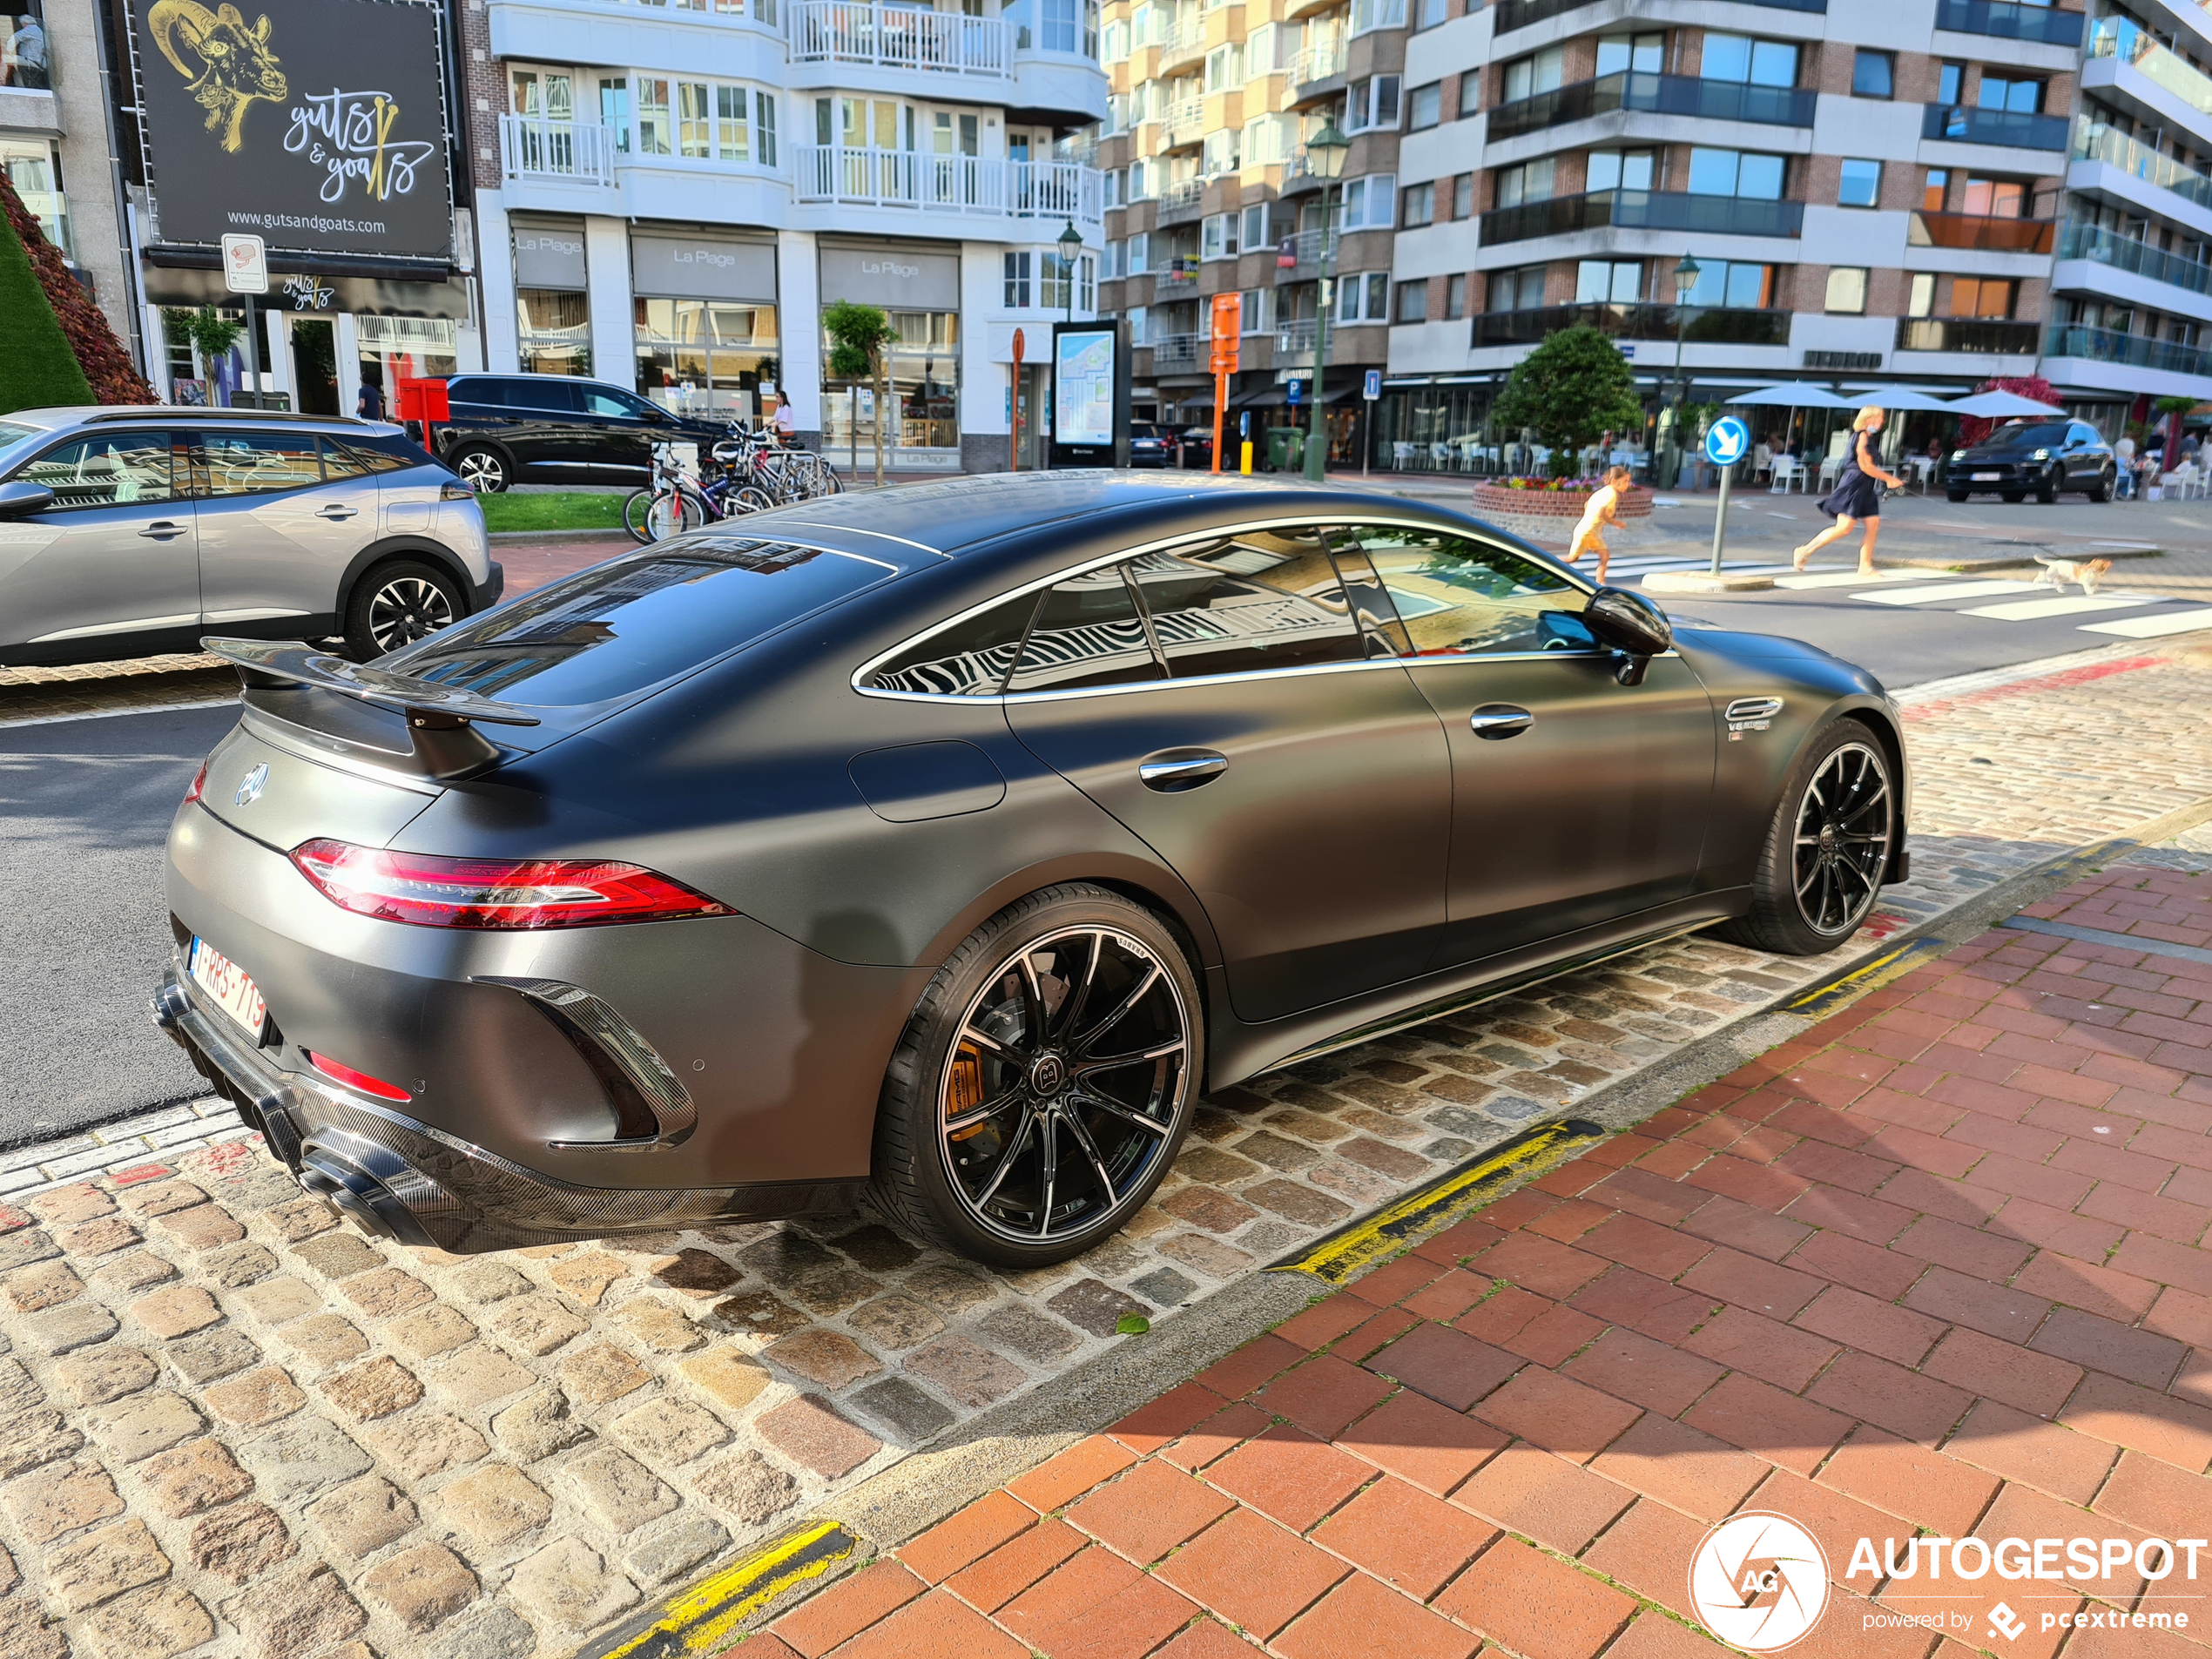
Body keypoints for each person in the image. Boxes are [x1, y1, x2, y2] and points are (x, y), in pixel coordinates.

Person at [1791, 407, 1905, 577]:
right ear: (1868, 419)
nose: (1881, 421)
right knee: (1844, 528)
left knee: (1873, 523)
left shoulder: (1870, 438)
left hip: (1866, 486)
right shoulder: (1861, 437)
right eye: (1878, 418)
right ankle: (1804, 551)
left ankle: (1865, 566)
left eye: (1882, 418)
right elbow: (1865, 466)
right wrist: (1888, 478)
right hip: (1854, 485)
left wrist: (1887, 478)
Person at [1567, 463, 1632, 584]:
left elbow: (1587, 504)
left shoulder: (1603, 491)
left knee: (1605, 556)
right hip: (1588, 531)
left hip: (1592, 530)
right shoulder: (1611, 494)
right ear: (1614, 480)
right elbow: (1601, 512)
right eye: (1625, 481)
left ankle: (1600, 583)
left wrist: (1591, 517)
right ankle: (1546, 565)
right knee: (1572, 559)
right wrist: (1616, 523)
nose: (1628, 484)